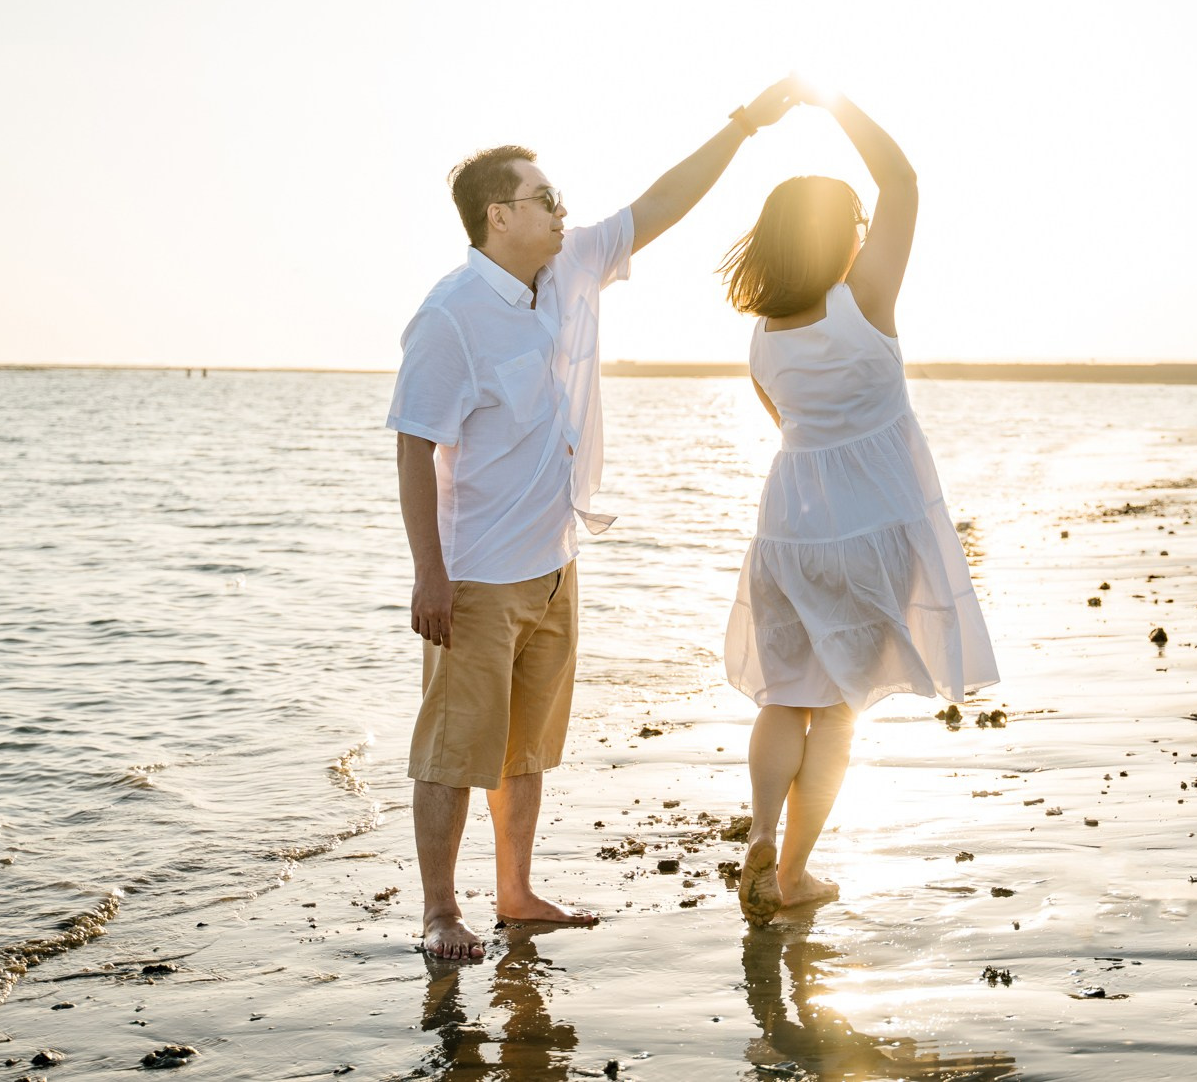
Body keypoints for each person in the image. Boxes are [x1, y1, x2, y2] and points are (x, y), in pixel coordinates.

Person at [389, 78, 796, 960]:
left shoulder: (571, 266)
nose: (562, 208)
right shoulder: (448, 317)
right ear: (499, 216)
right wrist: (428, 571)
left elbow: (662, 203)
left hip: (556, 560)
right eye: (545, 198)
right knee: (455, 750)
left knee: (525, 751)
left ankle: (515, 892)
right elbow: (414, 446)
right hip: (477, 575)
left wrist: (743, 126)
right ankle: (438, 911)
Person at [720, 83, 999, 922]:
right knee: (837, 711)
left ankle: (761, 834)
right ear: (842, 236)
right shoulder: (864, 303)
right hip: (869, 528)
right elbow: (903, 180)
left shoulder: (763, 336)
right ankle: (794, 872)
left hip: (787, 532)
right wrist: (837, 104)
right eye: (859, 227)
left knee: (784, 697)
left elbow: (787, 425)